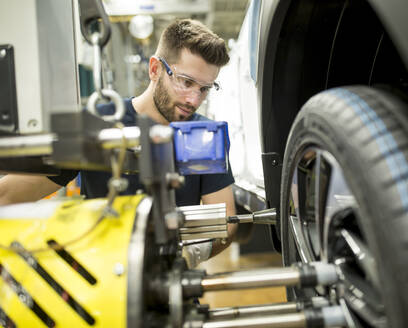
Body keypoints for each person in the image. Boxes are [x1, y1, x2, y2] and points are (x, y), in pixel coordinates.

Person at [0, 19, 237, 267]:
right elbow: (8, 196)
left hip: (174, 288)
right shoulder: (97, 123)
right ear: (154, 69)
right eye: (186, 82)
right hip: (99, 282)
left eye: (204, 89)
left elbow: (225, 222)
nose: (193, 99)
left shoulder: (204, 136)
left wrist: (189, 255)